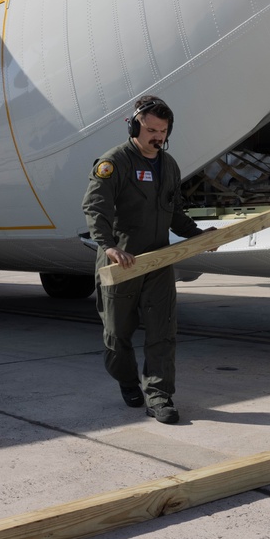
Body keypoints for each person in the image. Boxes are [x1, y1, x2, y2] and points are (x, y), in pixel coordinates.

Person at [82, 95, 212, 424]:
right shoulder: (114, 162)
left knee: (162, 331)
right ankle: (127, 381)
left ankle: (158, 395)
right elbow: (94, 208)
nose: (157, 137)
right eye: (151, 129)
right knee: (116, 336)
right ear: (134, 125)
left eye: (163, 131)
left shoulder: (168, 166)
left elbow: (174, 212)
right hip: (120, 263)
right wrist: (109, 246)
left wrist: (197, 235)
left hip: (157, 262)